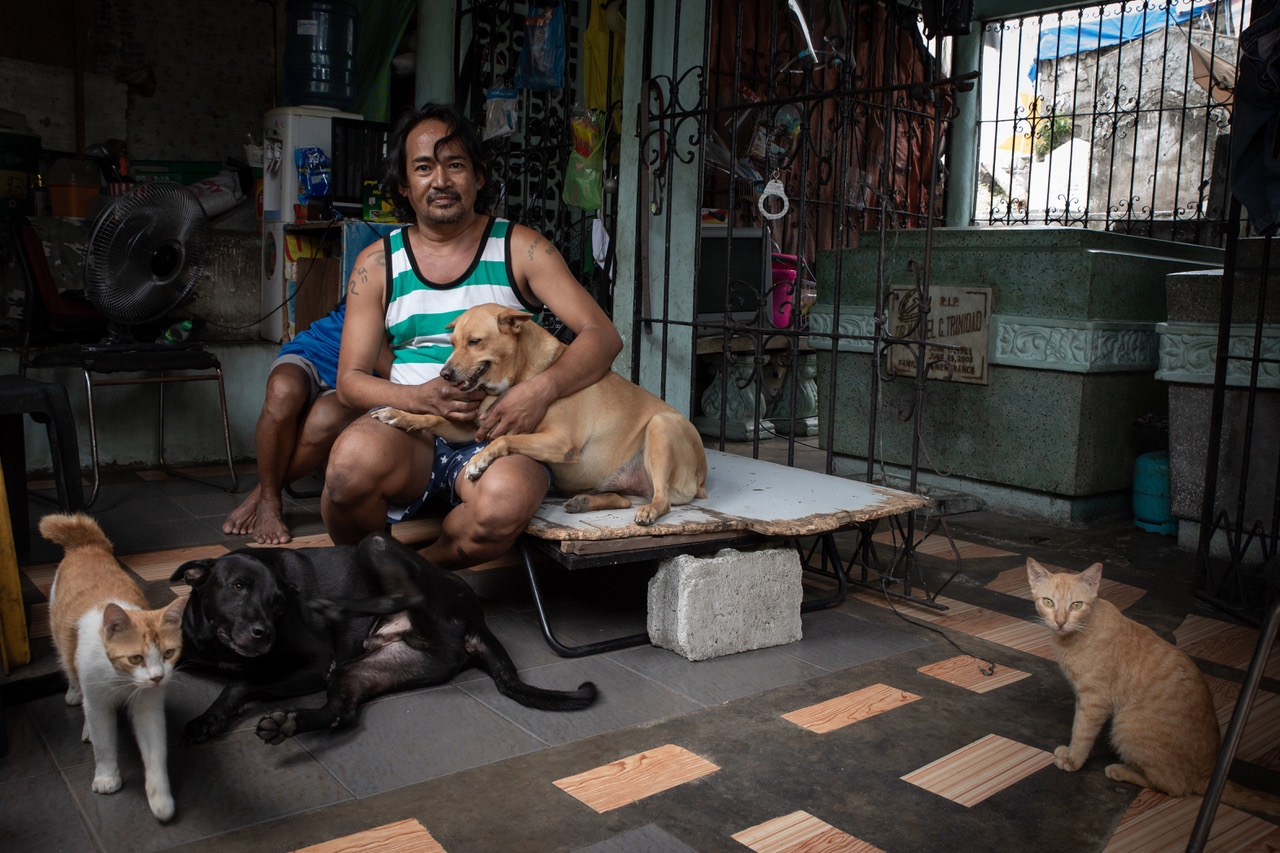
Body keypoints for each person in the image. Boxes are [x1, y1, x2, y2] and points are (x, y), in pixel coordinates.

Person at [321, 102, 622, 569]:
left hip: (504, 432)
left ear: (478, 177)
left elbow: (602, 336)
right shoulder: (378, 264)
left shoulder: (521, 248)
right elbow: (351, 381)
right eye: (423, 167)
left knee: (500, 506)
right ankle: (372, 572)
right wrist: (420, 397)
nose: (440, 180)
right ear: (404, 184)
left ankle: (415, 575)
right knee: (346, 473)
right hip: (416, 433)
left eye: (455, 165)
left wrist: (538, 393)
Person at [223, 300, 389, 544]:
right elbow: (376, 348)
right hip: (315, 351)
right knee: (282, 392)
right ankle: (269, 501)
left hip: (358, 377)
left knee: (324, 419)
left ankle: (262, 495)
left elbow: (390, 365)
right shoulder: (383, 272)